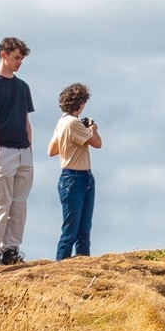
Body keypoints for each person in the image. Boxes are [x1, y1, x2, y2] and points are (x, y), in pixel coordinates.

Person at [0, 37, 35, 268]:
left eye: (21, 58)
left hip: (23, 151)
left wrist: (29, 145)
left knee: (19, 204)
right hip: (2, 151)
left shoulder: (23, 86)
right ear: (4, 54)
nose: (19, 62)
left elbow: (26, 119)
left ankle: (12, 249)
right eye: (16, 57)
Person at [48, 85, 100, 261]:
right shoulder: (74, 123)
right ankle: (67, 264)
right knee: (77, 230)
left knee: (73, 228)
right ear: (81, 103)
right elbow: (97, 143)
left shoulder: (62, 122)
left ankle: (70, 264)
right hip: (77, 176)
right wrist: (92, 129)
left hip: (70, 175)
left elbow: (52, 150)